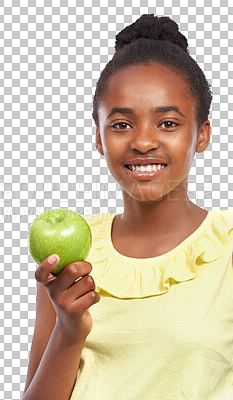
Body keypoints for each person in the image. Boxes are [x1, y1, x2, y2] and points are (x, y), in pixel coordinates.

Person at [21, 14, 233, 400]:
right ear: (99, 139)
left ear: (201, 134)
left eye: (168, 123)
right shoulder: (74, 254)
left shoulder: (228, 249)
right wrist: (70, 329)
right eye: (121, 125)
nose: (143, 142)